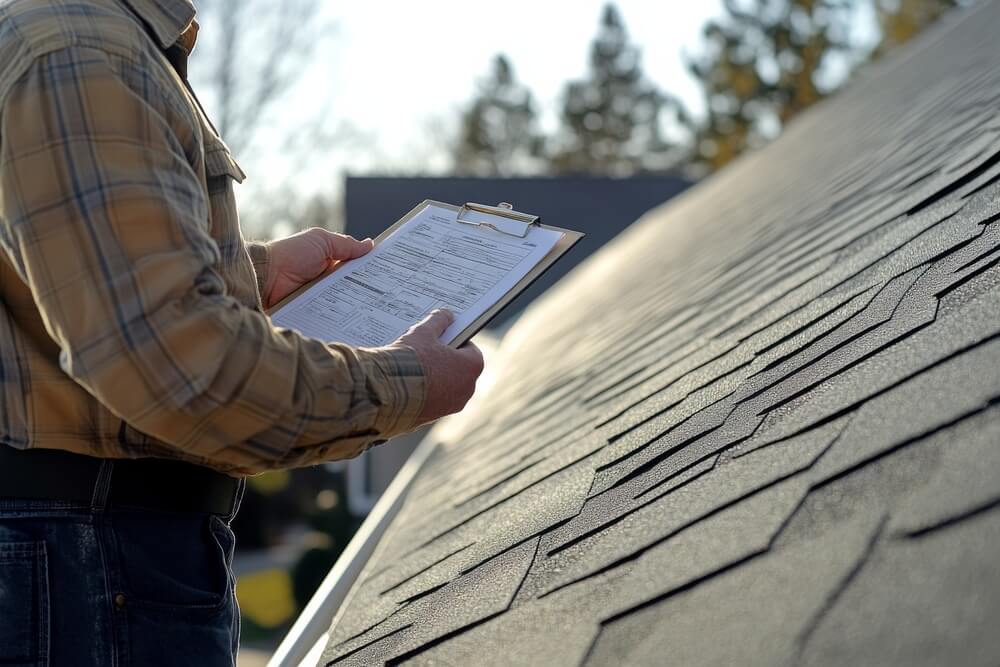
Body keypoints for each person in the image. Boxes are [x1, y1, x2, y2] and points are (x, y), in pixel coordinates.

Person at [0, 0, 484, 664]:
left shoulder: (78, 39)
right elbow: (175, 365)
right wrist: (408, 383)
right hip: (93, 565)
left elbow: (85, 299)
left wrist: (249, 276)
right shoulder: (82, 51)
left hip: (93, 559)